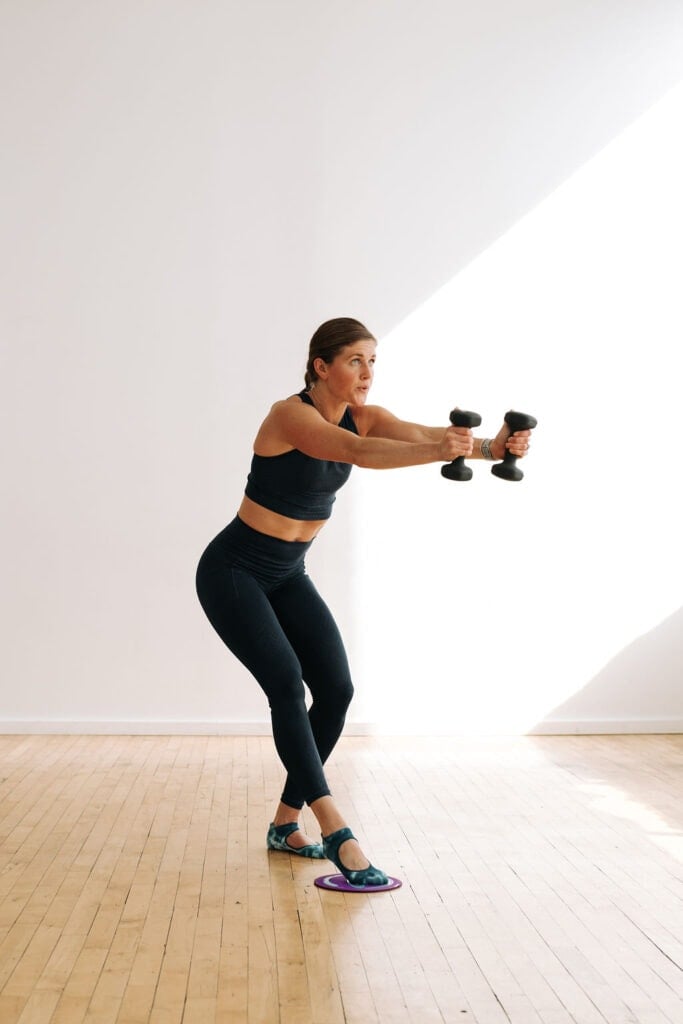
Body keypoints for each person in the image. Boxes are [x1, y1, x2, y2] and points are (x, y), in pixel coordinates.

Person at [195, 317, 531, 888]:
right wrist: (442, 451)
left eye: (373, 361)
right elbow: (360, 452)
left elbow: (414, 434)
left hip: (288, 572)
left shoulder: (365, 414)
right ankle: (335, 829)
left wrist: (490, 447)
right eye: (355, 360)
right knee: (285, 681)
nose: (367, 373)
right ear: (321, 366)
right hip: (234, 572)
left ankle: (284, 824)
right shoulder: (290, 416)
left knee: (336, 690)